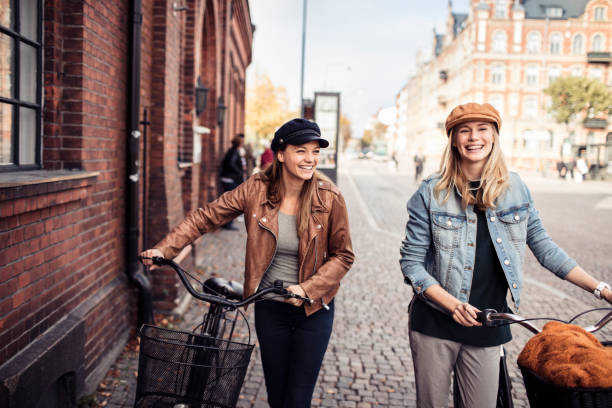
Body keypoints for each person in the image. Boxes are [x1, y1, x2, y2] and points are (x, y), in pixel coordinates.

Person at [399, 102, 612, 408]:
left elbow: (544, 246)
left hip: (489, 322)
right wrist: (452, 304)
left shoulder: (516, 189)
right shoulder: (431, 192)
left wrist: (602, 290)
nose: (474, 137)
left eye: (483, 129)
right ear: (454, 140)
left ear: (495, 136)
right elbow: (412, 264)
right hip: (435, 323)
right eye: (465, 130)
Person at [141, 118, 354, 408]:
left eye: (315, 151)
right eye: (301, 150)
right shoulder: (257, 189)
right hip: (269, 308)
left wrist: (307, 288)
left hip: (313, 311)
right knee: (277, 397)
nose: (310, 159)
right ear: (280, 154)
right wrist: (165, 249)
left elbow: (343, 255)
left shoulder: (330, 197)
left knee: (297, 400)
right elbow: (207, 217)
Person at [219, 134, 245, 230]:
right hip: (230, 179)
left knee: (229, 202)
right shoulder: (234, 152)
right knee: (232, 203)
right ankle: (227, 224)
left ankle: (226, 223)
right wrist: (239, 172)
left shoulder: (232, 150)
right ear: (239, 143)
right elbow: (231, 164)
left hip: (228, 178)